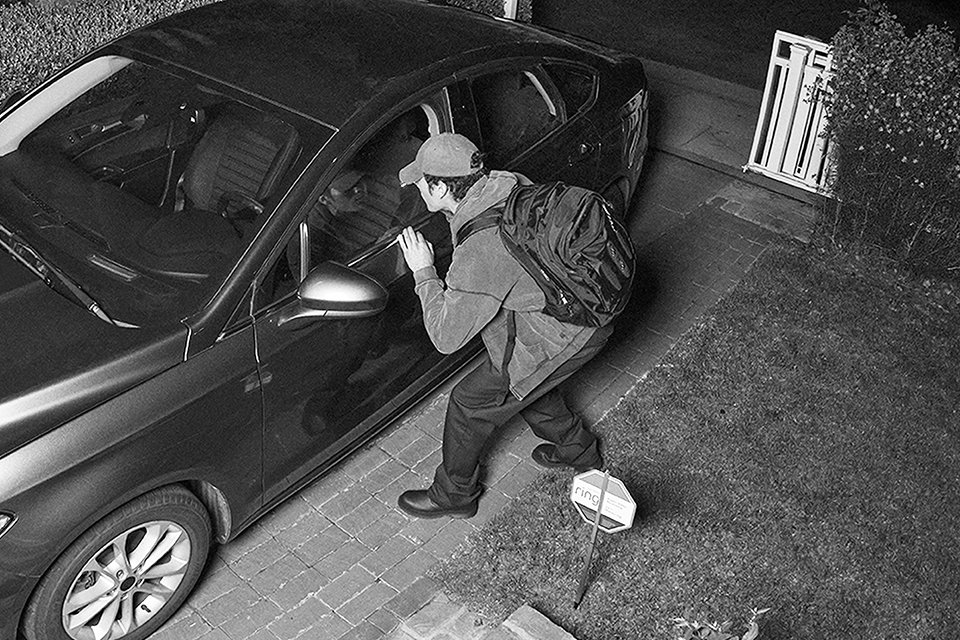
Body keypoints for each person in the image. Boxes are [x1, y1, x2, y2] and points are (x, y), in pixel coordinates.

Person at [394, 133, 613, 519]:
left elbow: (446, 337)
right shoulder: (507, 183)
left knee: (469, 404)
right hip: (580, 312)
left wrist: (423, 271)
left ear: (441, 187)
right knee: (528, 384)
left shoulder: (481, 252)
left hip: (567, 330)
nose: (417, 189)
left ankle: (454, 495)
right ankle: (579, 453)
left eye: (421, 183)